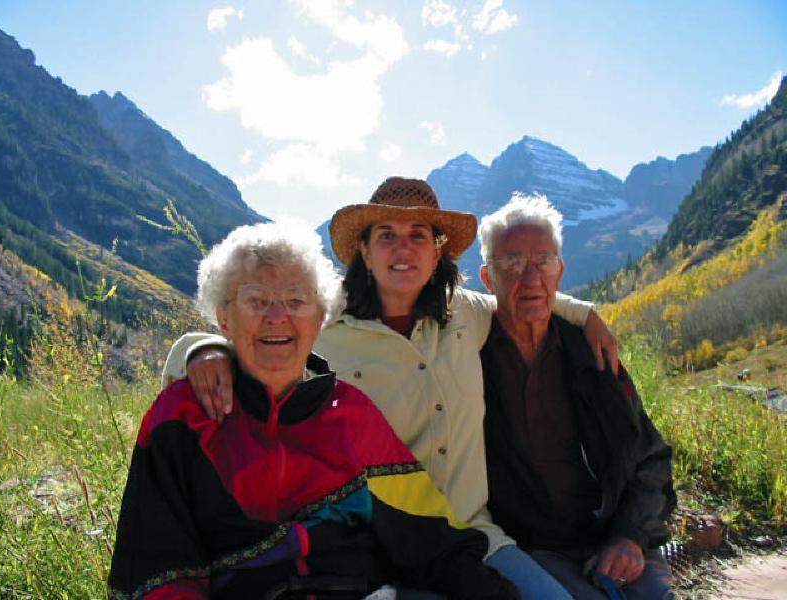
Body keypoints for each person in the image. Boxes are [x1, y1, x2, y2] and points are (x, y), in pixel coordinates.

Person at [163, 177, 619, 599]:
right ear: (364, 249)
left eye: (418, 234)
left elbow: (522, 288)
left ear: (437, 251)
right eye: (387, 235)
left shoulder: (467, 314)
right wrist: (202, 349)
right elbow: (251, 337)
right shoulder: (323, 326)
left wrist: (586, 314)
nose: (404, 248)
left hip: (474, 538)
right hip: (371, 555)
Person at [108, 221, 522, 599]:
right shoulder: (183, 418)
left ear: (321, 317)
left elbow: (424, 532)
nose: (277, 317)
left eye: (295, 300)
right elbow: (157, 565)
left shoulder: (350, 413)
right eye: (256, 301)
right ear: (223, 318)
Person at [477, 194, 676, 599]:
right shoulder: (468, 358)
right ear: (487, 278)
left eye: (543, 262)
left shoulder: (593, 354)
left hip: (612, 537)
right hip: (529, 546)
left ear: (560, 271)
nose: (531, 279)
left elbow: (649, 456)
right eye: (512, 264)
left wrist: (630, 537)